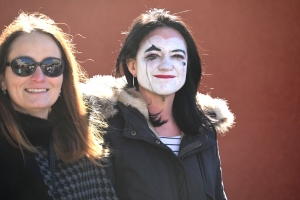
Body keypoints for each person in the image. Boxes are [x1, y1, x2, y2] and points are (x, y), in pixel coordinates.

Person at [82, 9, 235, 200]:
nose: (166, 65)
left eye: (177, 56)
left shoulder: (204, 127)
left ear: (187, 66)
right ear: (132, 66)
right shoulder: (107, 129)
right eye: (153, 55)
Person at [0, 12, 118, 200]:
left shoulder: (81, 143)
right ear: (2, 80)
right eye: (23, 66)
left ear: (64, 77)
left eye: (51, 66)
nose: (39, 77)